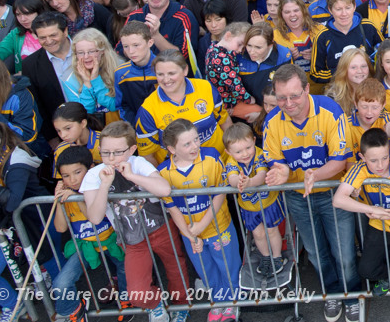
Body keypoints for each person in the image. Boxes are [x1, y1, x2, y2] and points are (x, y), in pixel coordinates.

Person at [262, 64, 360, 322]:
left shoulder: (330, 110)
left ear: (307, 89)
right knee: (317, 252)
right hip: (297, 197)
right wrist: (280, 170)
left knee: (344, 252)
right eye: (281, 97)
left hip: (332, 193)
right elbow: (275, 160)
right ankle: (332, 293)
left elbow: (340, 160)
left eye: (294, 95)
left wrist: (314, 175)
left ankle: (352, 295)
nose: (288, 103)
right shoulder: (272, 122)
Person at [80, 120, 190, 322]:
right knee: (137, 293)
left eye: (117, 152)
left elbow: (164, 189)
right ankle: (155, 303)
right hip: (132, 239)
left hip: (161, 228)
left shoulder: (139, 163)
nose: (111, 158)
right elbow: (95, 217)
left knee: (175, 267)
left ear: (131, 150)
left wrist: (131, 175)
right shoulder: (94, 175)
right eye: (106, 153)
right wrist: (105, 185)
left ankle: (181, 304)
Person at [0, 120, 61, 322]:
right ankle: (13, 304)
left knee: (57, 278)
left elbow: (11, 202)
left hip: (40, 223)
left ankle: (68, 309)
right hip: (9, 227)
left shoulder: (17, 158)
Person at [332, 125, 390, 311]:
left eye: (385, 158)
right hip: (379, 225)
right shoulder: (359, 169)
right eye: (373, 160)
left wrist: (389, 214)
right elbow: (338, 200)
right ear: (362, 158)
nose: (380, 165)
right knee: (366, 269)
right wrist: (370, 209)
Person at [159, 119, 240, 322]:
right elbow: (172, 207)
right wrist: (190, 235)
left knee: (228, 266)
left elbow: (220, 194)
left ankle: (232, 302)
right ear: (171, 149)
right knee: (205, 268)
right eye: (187, 144)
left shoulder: (212, 157)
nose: (195, 146)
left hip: (218, 227)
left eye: (196, 139)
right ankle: (217, 300)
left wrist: (202, 226)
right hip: (191, 234)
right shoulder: (163, 172)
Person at [50, 145, 126, 322]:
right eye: (66, 176)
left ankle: (126, 299)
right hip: (85, 245)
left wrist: (76, 198)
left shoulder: (101, 186)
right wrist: (59, 201)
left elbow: (95, 218)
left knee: (125, 267)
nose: (73, 180)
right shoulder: (66, 196)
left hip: (110, 239)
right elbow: (61, 228)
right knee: (60, 284)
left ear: (91, 168)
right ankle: (74, 308)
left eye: (77, 172)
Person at [136, 50, 230, 164]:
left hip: (220, 163)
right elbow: (147, 156)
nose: (166, 79)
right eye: (160, 74)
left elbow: (225, 122)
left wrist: (232, 158)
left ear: (185, 70)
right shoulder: (148, 109)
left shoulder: (206, 88)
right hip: (179, 177)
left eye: (171, 73)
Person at [222, 123, 288, 279]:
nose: (245, 154)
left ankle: (277, 257)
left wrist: (249, 183)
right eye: (238, 151)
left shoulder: (259, 154)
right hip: (249, 206)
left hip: (268, 203)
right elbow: (231, 178)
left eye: (248, 147)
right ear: (228, 152)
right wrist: (239, 181)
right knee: (258, 234)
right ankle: (266, 257)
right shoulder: (231, 162)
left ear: (253, 141)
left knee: (272, 230)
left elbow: (261, 174)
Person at [310, 0, 382, 85]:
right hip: (338, 92)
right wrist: (344, 72)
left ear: (354, 7)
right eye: (338, 9)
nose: (344, 14)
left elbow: (384, 55)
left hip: (367, 88)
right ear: (330, 10)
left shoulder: (368, 27)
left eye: (348, 8)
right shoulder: (323, 36)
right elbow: (315, 74)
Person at [62, 28, 120, 115]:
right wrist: (87, 83)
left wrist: (96, 80)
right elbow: (84, 112)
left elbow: (114, 106)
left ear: (102, 51)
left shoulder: (119, 69)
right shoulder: (68, 78)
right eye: (80, 53)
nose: (86, 57)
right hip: (91, 126)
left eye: (91, 51)